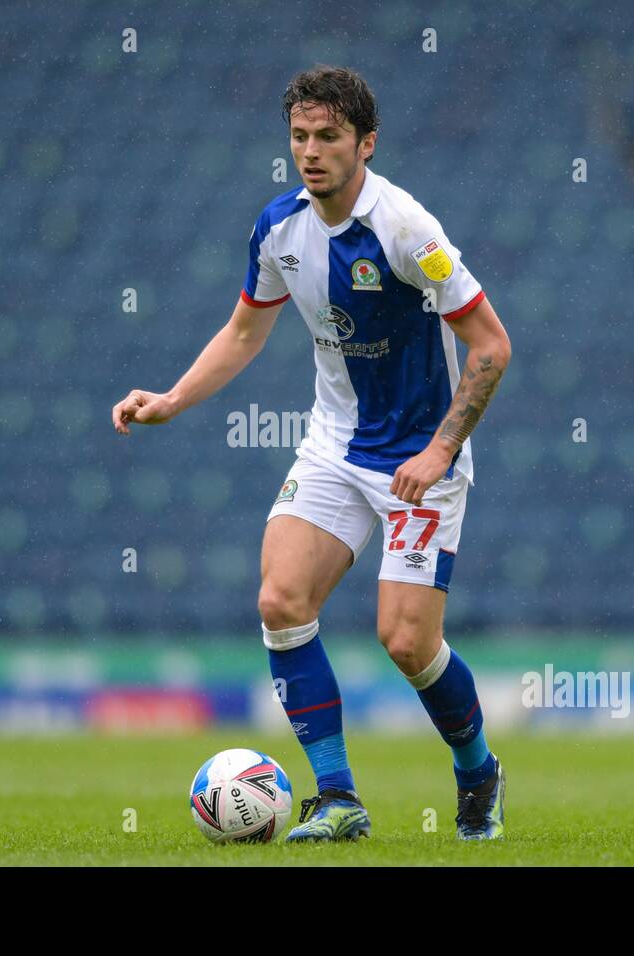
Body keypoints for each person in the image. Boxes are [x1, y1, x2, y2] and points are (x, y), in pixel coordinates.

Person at [112, 65, 512, 841]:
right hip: (335, 445)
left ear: (366, 142)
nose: (311, 151)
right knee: (280, 601)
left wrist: (440, 451)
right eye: (299, 136)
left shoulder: (407, 230)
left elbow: (492, 347)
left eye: (328, 136)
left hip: (418, 460)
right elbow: (242, 334)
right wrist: (170, 399)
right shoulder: (278, 228)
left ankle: (478, 770)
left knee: (406, 641)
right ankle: (338, 799)